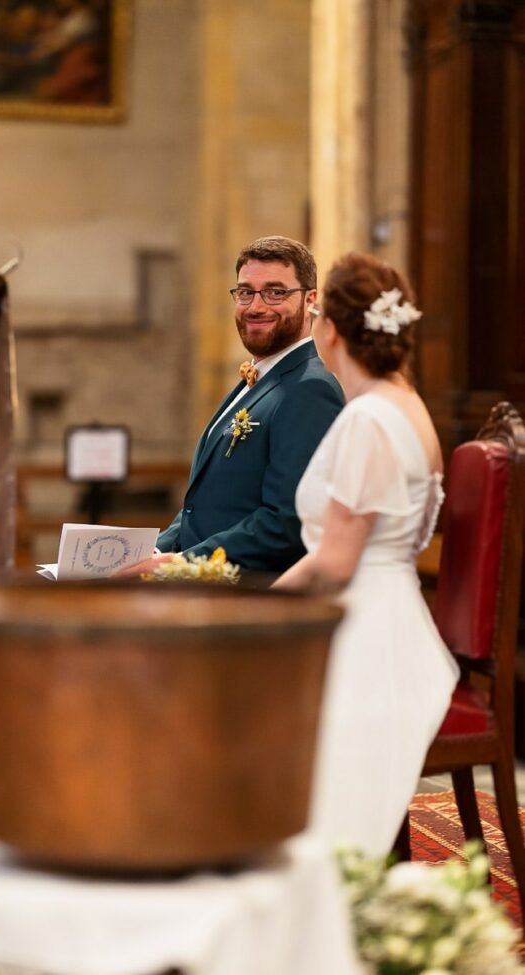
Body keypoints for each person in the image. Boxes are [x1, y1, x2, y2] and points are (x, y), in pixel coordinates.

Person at [273, 252, 459, 856]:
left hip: (367, 642)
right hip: (388, 620)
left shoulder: (370, 419)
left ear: (328, 328)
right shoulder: (404, 404)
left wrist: (260, 611)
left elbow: (335, 564)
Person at [148, 236, 344, 576]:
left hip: (253, 597)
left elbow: (287, 521)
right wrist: (156, 551)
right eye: (245, 292)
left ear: (310, 300)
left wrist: (183, 563)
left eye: (275, 292)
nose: (255, 306)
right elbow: (205, 505)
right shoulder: (260, 378)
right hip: (208, 588)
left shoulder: (309, 389)